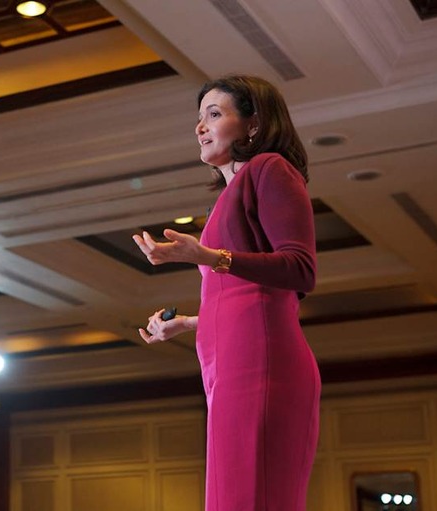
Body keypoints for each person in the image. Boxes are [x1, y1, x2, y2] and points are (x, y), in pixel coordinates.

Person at [132, 75, 320, 511]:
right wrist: (192, 322)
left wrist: (211, 255)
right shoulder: (227, 196)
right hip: (228, 360)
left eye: (214, 115)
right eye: (198, 118)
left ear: (253, 125)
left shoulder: (270, 168)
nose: (200, 126)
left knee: (250, 498)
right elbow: (252, 295)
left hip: (260, 362)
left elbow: (300, 271)